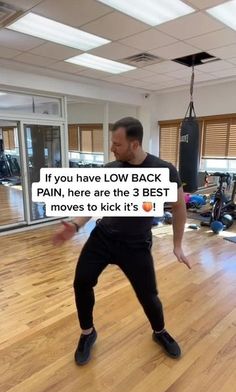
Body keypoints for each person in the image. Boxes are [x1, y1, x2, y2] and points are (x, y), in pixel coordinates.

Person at [53, 117, 191, 366]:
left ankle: (159, 332)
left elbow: (180, 208)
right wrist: (74, 225)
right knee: (82, 281)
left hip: (136, 244)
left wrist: (177, 244)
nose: (112, 149)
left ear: (134, 144)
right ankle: (87, 333)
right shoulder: (111, 169)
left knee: (148, 295)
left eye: (117, 144)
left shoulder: (163, 171)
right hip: (103, 237)